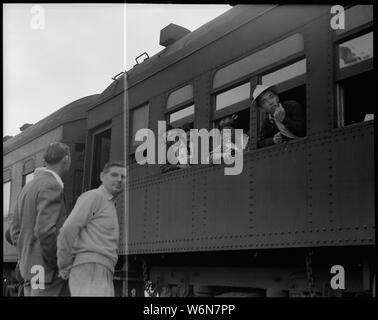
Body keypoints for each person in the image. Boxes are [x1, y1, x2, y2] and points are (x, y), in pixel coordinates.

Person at [9, 142, 71, 296]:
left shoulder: (28, 187)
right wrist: (57, 263)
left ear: (45, 161)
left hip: (29, 270)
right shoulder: (52, 187)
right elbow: (46, 231)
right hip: (48, 272)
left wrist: (28, 254)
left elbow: (13, 231)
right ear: (66, 160)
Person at [57, 160, 126, 296]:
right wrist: (64, 264)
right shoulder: (95, 197)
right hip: (90, 268)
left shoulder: (109, 203)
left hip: (101, 268)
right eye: (114, 175)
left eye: (123, 177)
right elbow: (68, 229)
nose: (119, 179)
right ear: (102, 176)